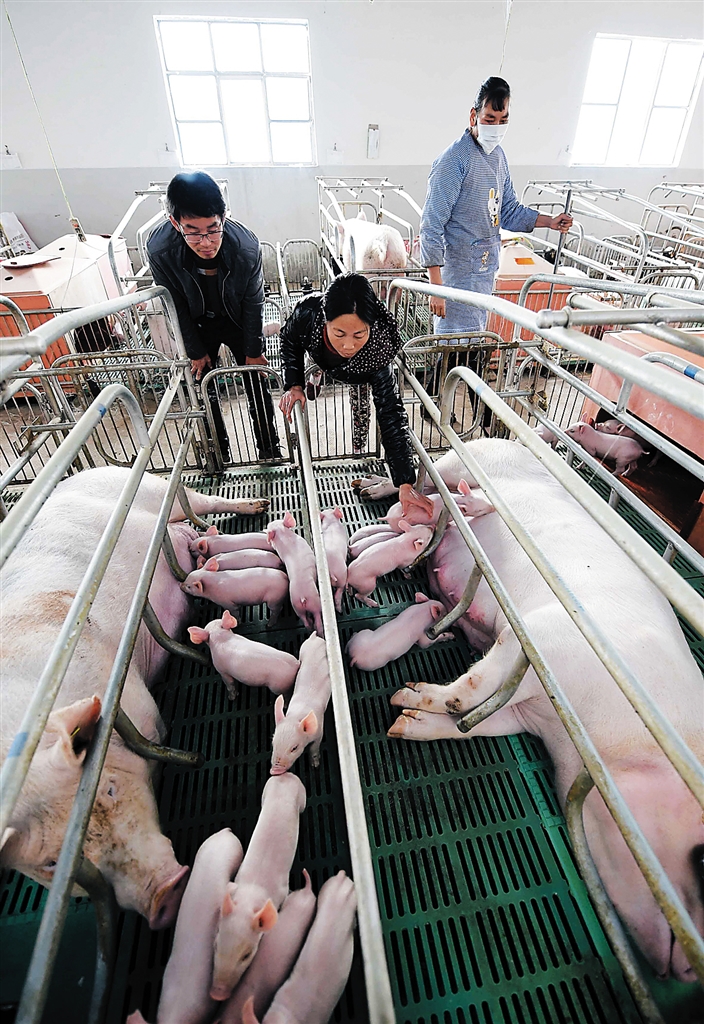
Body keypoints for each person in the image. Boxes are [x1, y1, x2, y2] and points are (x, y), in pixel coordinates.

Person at [420, 76, 573, 336]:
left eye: (503, 121)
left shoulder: (498, 157)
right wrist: (436, 287)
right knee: (453, 343)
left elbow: (508, 210)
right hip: (456, 275)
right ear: (474, 116)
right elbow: (431, 225)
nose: (496, 127)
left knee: (477, 337)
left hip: (484, 270)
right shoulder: (454, 160)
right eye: (490, 119)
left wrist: (549, 221)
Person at [147, 171, 281, 462]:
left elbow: (253, 300)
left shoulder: (246, 247)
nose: (206, 242)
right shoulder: (160, 250)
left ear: (223, 217)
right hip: (196, 321)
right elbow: (174, 303)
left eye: (213, 229)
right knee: (202, 384)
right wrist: (195, 350)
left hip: (236, 317)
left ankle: (269, 449)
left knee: (256, 380)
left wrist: (253, 350)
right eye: (193, 231)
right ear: (175, 223)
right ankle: (217, 454)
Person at [278, 274, 432, 518]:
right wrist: (293, 384)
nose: (348, 345)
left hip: (362, 370)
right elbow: (289, 340)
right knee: (315, 363)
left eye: (359, 335)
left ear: (370, 326)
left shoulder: (380, 347)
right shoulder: (308, 313)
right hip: (321, 355)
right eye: (339, 333)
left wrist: (405, 482)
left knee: (364, 406)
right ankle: (315, 374)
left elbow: (391, 413)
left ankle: (358, 445)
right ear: (325, 320)